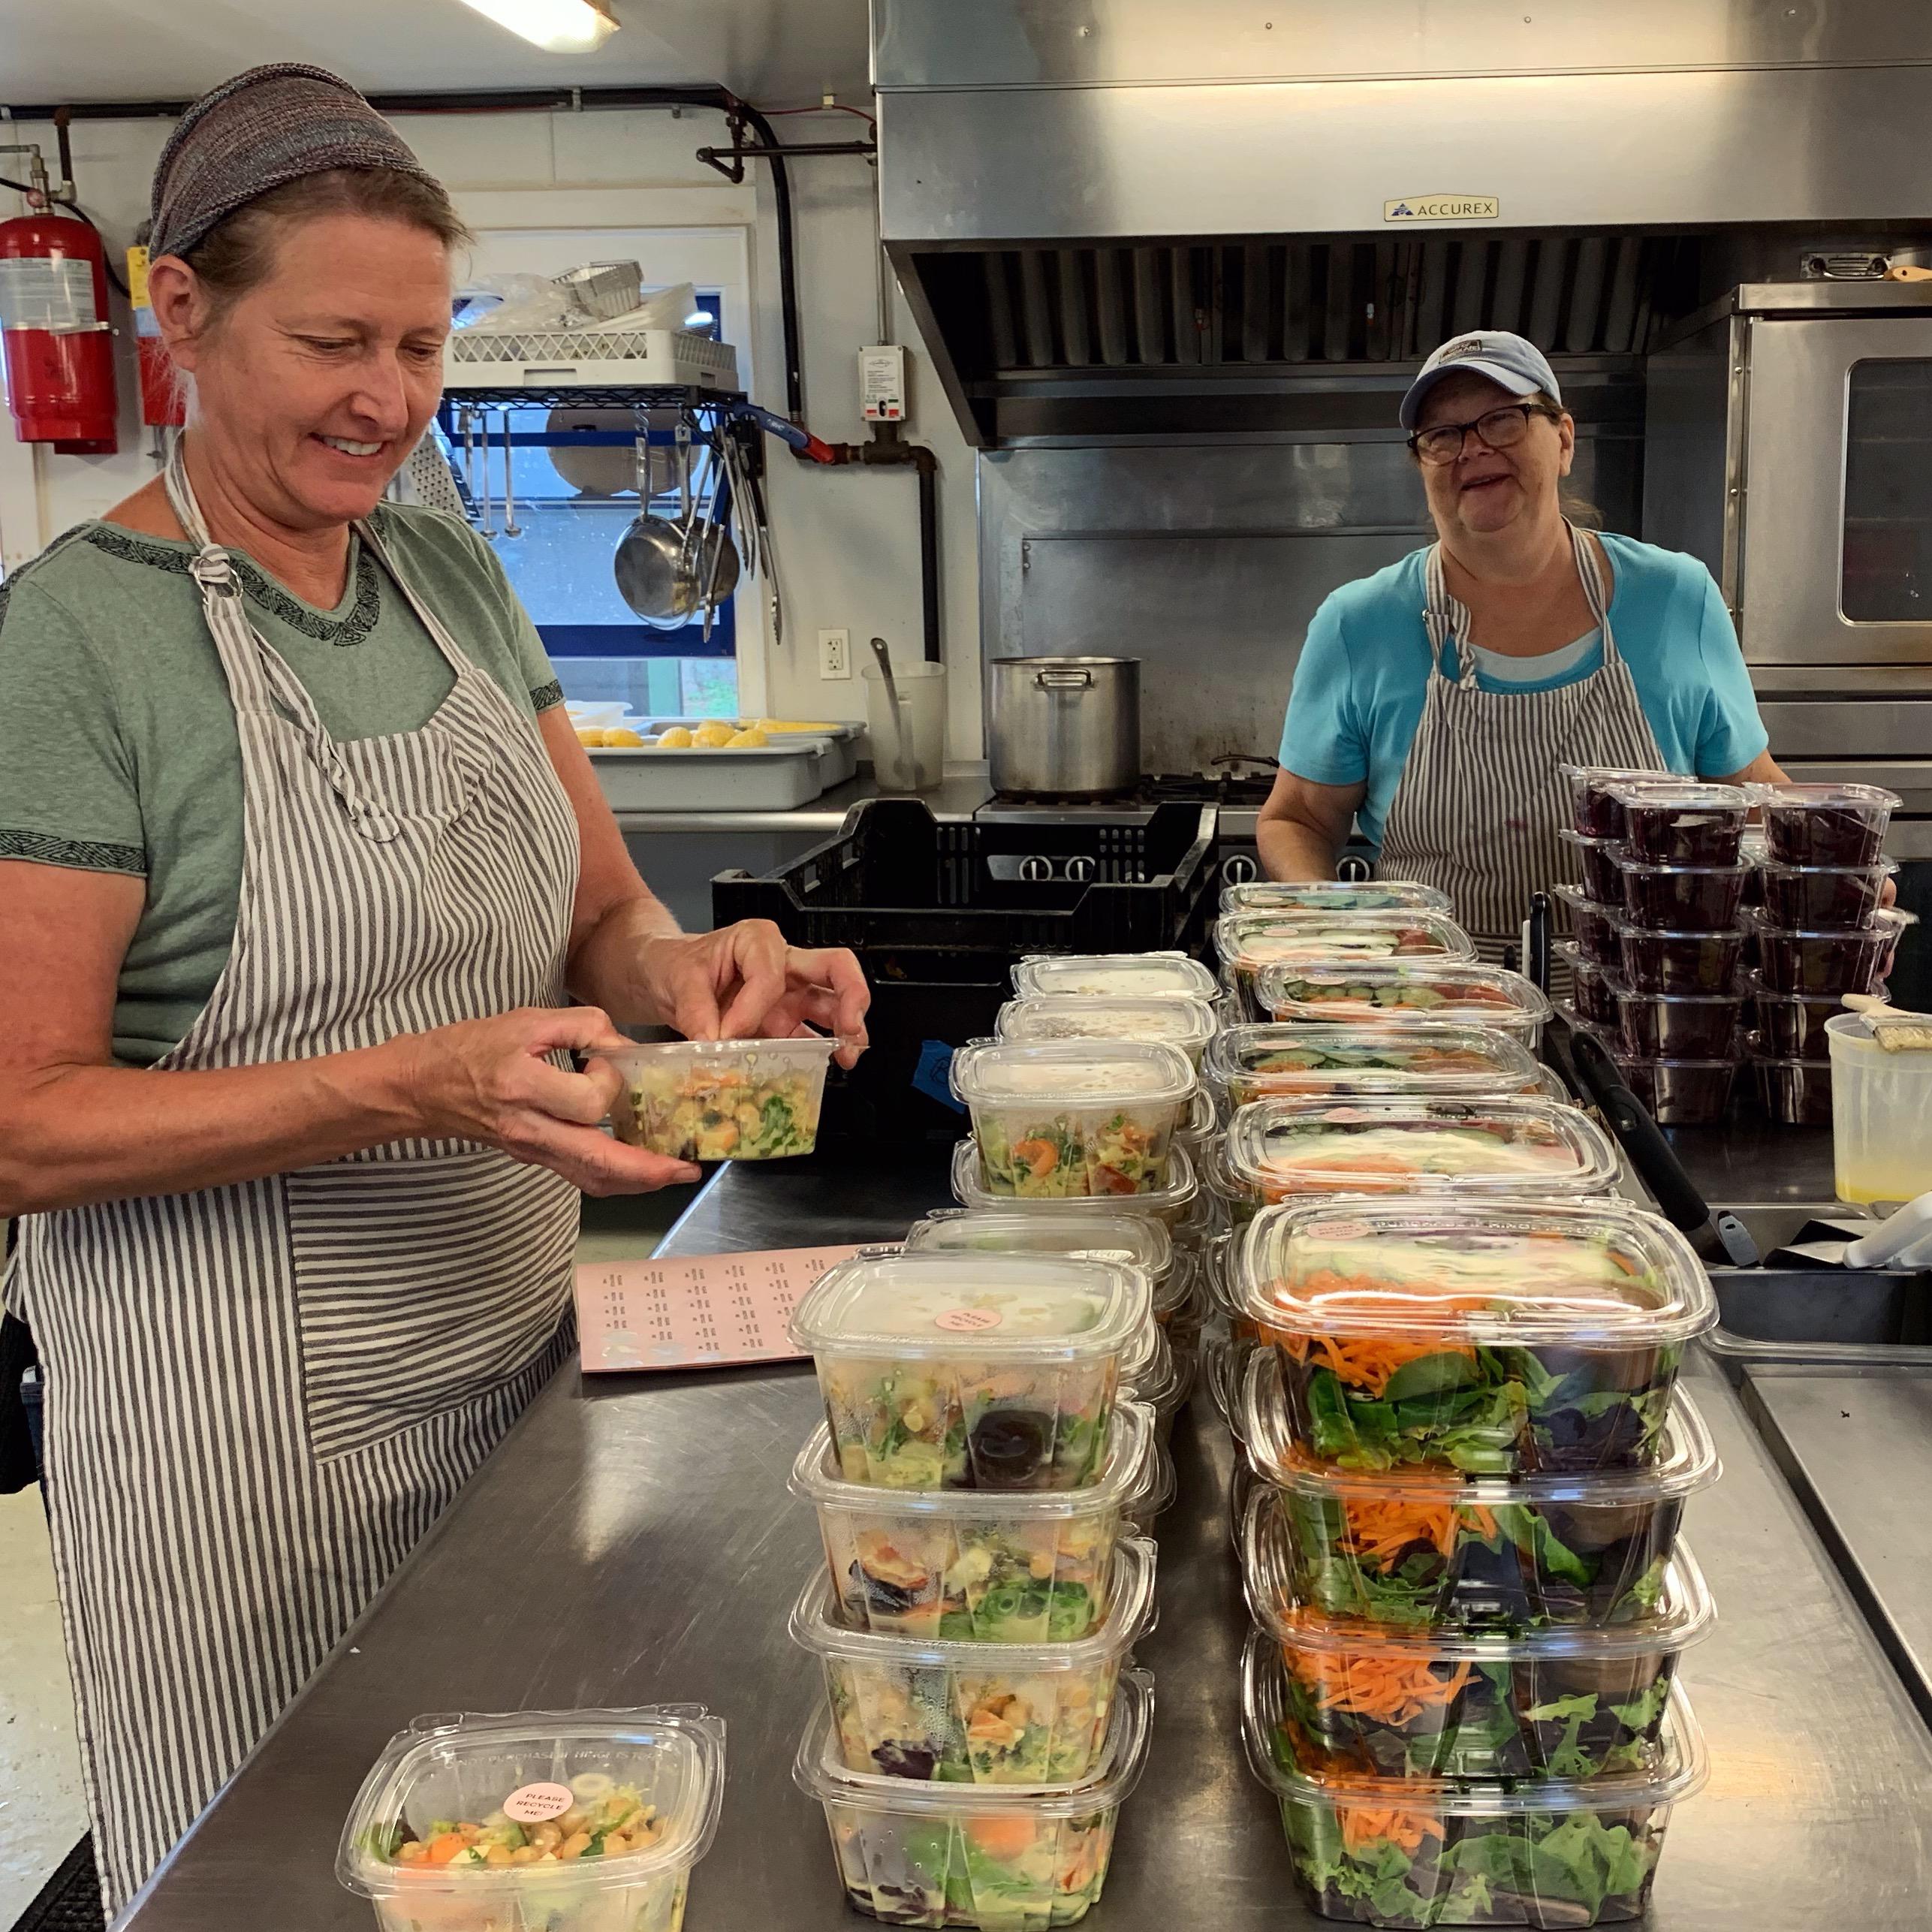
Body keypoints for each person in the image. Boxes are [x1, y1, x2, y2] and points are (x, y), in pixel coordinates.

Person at [0, 65, 867, 1910]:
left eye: (420, 340)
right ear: (178, 312)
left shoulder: (448, 570)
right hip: (231, 1443)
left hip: (503, 1366)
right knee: (297, 1874)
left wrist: (699, 969)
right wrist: (414, 1083)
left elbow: (601, 914)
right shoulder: (74, 644)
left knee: (524, 1857)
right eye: (333, 341)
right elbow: (22, 1119)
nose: (388, 399)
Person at [1255, 329, 1790, 953]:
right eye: (1441, 436)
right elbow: (1296, 818)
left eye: (1502, 420)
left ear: (1563, 440)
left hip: (1646, 1013)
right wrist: (1338, 932)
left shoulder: (1675, 598)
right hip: (1435, 1013)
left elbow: (1751, 794)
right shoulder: (1360, 623)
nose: (1471, 449)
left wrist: (1833, 868)